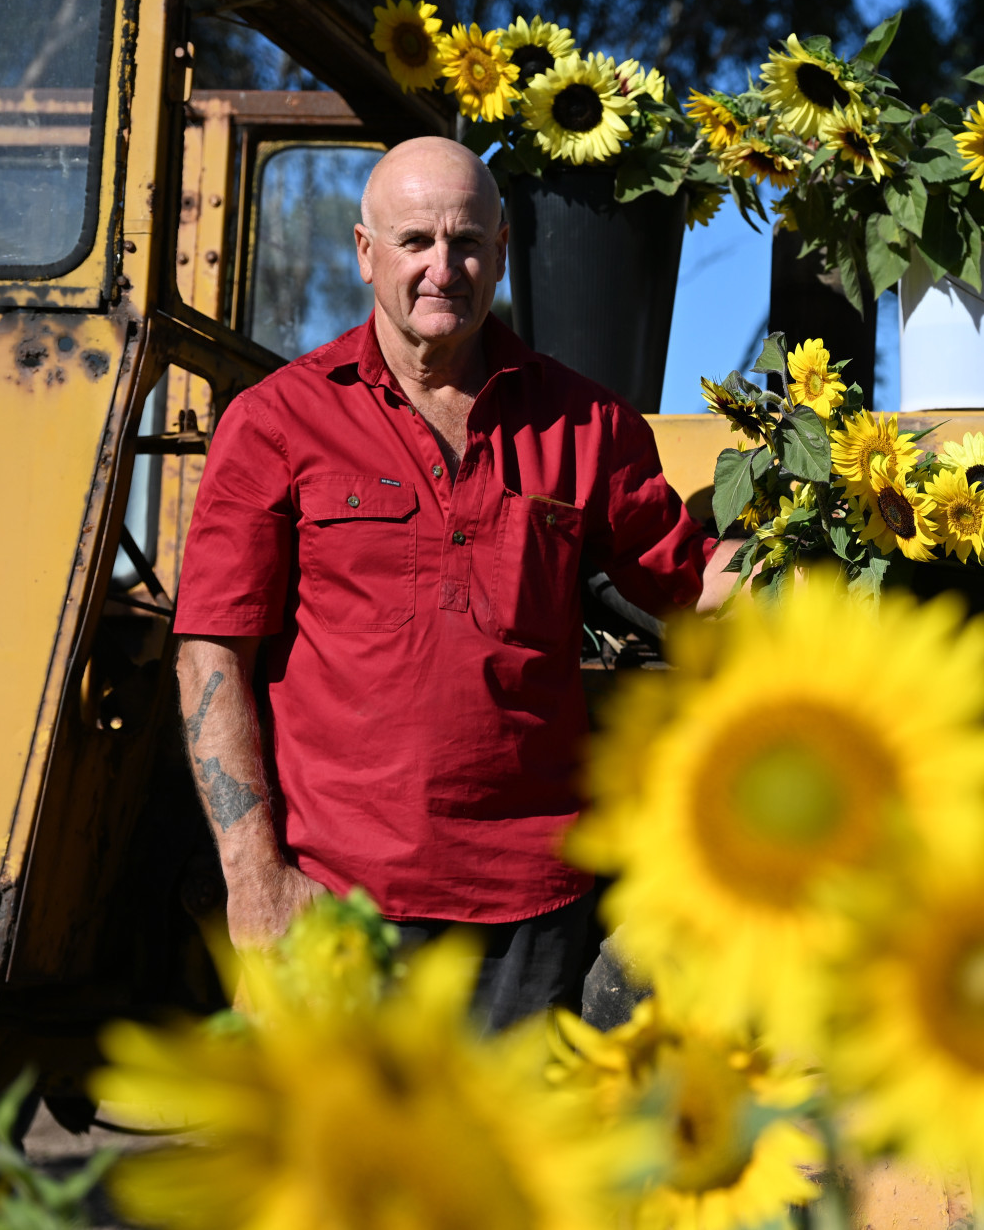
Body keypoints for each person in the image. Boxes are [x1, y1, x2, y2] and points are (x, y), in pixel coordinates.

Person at [170, 137, 737, 1027]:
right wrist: (258, 883)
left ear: (504, 250)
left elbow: (691, 586)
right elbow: (212, 654)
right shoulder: (278, 421)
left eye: (468, 242)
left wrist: (818, 535)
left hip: (530, 913)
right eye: (416, 242)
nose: (445, 267)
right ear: (365, 253)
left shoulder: (588, 422)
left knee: (508, 1166)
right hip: (333, 903)